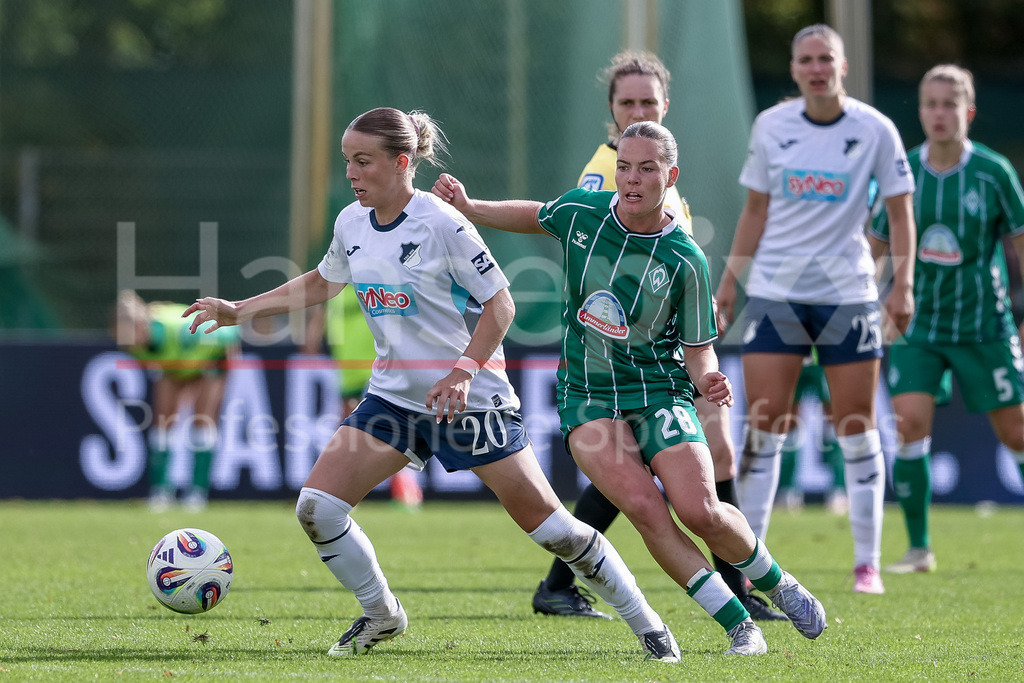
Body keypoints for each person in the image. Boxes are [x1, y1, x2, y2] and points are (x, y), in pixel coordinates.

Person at [184, 107, 683, 662]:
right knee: (317, 507)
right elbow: (323, 282)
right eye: (347, 160)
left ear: (402, 163)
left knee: (554, 532)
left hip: (471, 403)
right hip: (394, 399)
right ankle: (381, 614)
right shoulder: (351, 222)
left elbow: (502, 304)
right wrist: (239, 310)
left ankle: (649, 626)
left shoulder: (443, 223)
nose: (351, 172)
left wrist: (462, 372)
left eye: (362, 161)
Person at [433, 120, 827, 656]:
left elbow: (696, 347)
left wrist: (706, 377)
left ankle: (776, 581)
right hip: (586, 395)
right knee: (644, 508)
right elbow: (537, 214)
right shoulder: (585, 212)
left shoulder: (685, 257)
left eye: (646, 169)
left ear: (671, 176)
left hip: (660, 390)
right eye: (624, 167)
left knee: (701, 511)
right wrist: (472, 207)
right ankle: (739, 625)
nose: (631, 179)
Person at [533, 50, 785, 624]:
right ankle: (739, 593)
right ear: (611, 111)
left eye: (648, 101)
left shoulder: (658, 165)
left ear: (665, 105)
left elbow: (672, 254)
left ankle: (562, 582)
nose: (638, 109)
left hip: (671, 347)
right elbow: (605, 256)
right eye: (628, 102)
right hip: (635, 358)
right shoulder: (610, 170)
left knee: (683, 466)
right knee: (657, 474)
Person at [715, 24, 917, 595]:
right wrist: (730, 281)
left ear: (842, 66)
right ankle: (750, 568)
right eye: (806, 59)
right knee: (765, 425)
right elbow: (755, 209)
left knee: (854, 424)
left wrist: (903, 284)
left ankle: (867, 564)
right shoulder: (771, 126)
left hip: (849, 293)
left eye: (825, 58)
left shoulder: (875, 129)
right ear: (795, 68)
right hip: (777, 292)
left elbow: (901, 214)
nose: (816, 68)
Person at [868, 64, 1024, 574]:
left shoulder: (995, 172)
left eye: (948, 104)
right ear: (920, 111)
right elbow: (874, 246)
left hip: (986, 325)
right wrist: (860, 299)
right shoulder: (903, 173)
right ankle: (918, 549)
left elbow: (1020, 246)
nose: (938, 113)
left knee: (1017, 434)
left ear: (968, 112)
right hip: (919, 324)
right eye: (929, 104)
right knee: (909, 423)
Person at [114, 289, 239, 512]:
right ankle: (161, 492)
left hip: (211, 356)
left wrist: (208, 374)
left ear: (141, 325)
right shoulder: (134, 345)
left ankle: (197, 493)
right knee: (163, 422)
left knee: (202, 421)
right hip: (177, 363)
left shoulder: (175, 330)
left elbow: (226, 337)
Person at [304, 284, 424, 509]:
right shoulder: (334, 287)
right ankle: (344, 493)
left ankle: (407, 492)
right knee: (351, 433)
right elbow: (318, 320)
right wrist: (313, 334)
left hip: (378, 367)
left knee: (391, 428)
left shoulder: (371, 280)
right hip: (347, 368)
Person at [774, 353, 848, 515]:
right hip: (794, 354)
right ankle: (787, 490)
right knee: (789, 421)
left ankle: (839, 490)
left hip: (822, 355)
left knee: (832, 417)